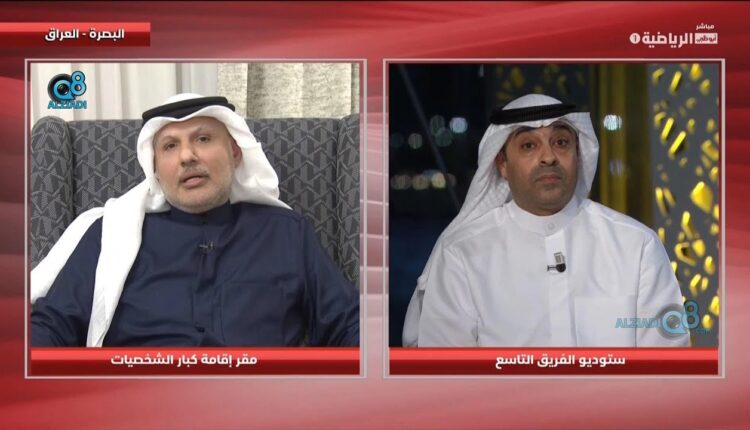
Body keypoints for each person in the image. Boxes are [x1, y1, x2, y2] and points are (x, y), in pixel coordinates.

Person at [31, 94, 359, 347]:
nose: (187, 156)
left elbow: (348, 324)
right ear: (154, 168)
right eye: (170, 146)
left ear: (235, 152)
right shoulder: (111, 237)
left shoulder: (286, 234)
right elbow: (51, 326)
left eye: (203, 139)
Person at [402, 93, 689, 347]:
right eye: (529, 145)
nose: (548, 157)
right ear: (502, 164)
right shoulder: (463, 254)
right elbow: (448, 376)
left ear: (578, 154)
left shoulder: (637, 246)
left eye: (561, 142)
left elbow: (666, 367)